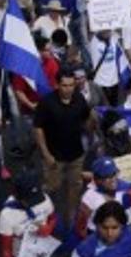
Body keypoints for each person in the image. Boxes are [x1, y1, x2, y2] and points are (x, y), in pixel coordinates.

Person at [33, 70, 91, 224]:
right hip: (54, 157)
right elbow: (38, 128)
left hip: (76, 155)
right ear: (57, 85)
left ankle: (70, 219)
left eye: (71, 85)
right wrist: (46, 154)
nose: (68, 89)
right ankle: (49, 217)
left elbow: (86, 118)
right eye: (64, 85)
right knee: (52, 188)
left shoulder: (79, 99)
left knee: (75, 188)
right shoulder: (46, 103)